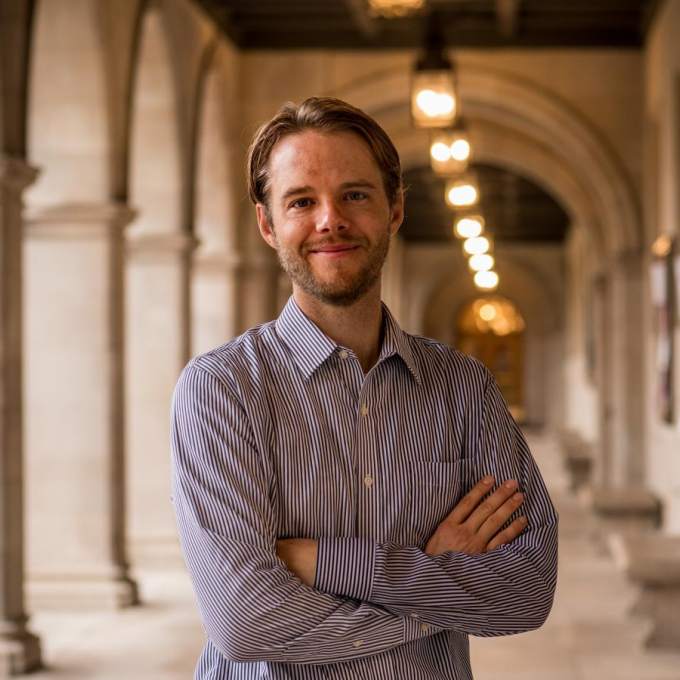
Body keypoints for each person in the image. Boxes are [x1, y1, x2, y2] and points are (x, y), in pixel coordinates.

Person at [171, 96, 558, 679]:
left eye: (355, 194)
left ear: (395, 209)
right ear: (267, 224)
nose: (330, 219)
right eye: (302, 201)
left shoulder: (462, 387)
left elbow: (525, 589)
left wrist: (328, 564)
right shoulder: (221, 391)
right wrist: (435, 579)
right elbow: (242, 622)